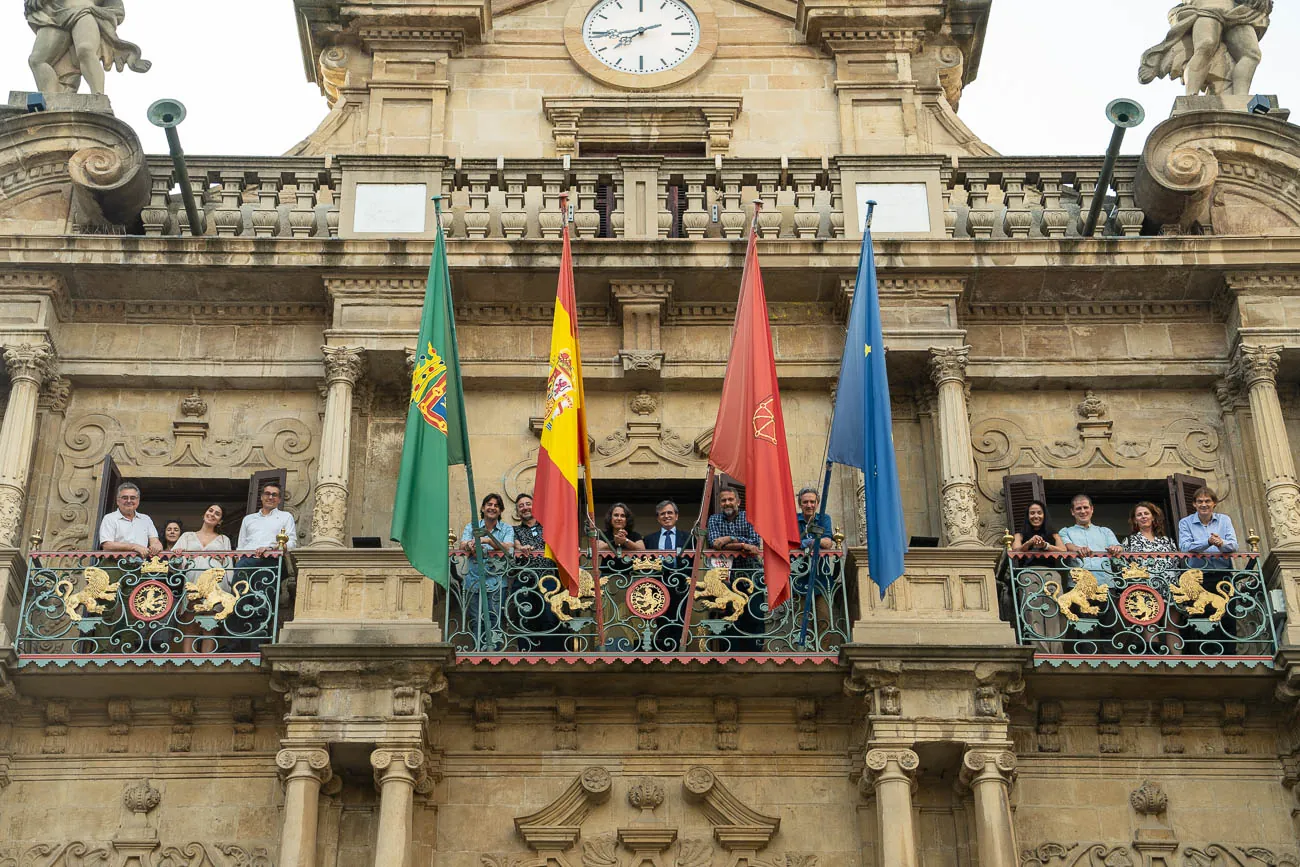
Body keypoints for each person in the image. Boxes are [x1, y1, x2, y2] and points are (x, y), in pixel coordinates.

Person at [1138, 0, 1271, 97]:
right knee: (1206, 46)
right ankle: (1191, 95)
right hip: (1207, 7)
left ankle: (1241, 98)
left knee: (1252, 54)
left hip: (1237, 12)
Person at [25, 0, 152, 96]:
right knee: (37, 60)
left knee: (85, 50)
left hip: (85, 12)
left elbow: (117, 10)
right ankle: (52, 101)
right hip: (54, 17)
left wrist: (96, 11)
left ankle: (98, 96)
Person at [706, 487, 765, 651]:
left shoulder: (749, 517)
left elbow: (754, 542)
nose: (727, 503)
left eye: (730, 499)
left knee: (754, 617)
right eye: (724, 500)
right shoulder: (714, 519)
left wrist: (729, 539)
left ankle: (755, 658)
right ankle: (731, 658)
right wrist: (742, 545)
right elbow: (714, 543)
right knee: (730, 619)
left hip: (751, 578)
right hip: (726, 581)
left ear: (738, 502)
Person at [457, 493, 514, 649]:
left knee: (495, 620)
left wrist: (488, 540)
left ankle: (494, 654)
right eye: (489, 504)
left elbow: (508, 547)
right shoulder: (472, 526)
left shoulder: (506, 528)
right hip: (474, 581)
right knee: (476, 619)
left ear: (500, 510)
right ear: (483, 508)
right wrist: (470, 545)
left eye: (496, 505)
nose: (492, 508)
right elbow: (463, 544)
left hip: (497, 582)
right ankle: (478, 652)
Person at [236, 482, 297, 584]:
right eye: (267, 493)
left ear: (279, 499)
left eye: (274, 495)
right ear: (261, 497)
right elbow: (241, 546)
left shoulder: (286, 517)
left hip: (270, 561)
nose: (270, 497)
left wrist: (271, 548)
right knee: (241, 597)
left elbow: (291, 544)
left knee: (263, 598)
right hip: (245, 563)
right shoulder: (248, 519)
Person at [1059, 493, 1123, 585]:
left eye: (1085, 507)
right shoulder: (1065, 531)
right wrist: (1079, 549)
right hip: (1078, 585)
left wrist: (1116, 548)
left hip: (1105, 583)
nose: (1082, 511)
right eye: (1078, 508)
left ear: (1092, 509)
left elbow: (1119, 547)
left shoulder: (1105, 531)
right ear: (1072, 512)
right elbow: (1068, 546)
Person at [98, 481, 162, 560]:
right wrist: (134, 547)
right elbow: (107, 546)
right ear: (118, 501)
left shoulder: (146, 519)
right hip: (114, 565)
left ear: (138, 501)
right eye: (125, 498)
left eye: (132, 498)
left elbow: (155, 541)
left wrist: (156, 546)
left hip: (140, 566)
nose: (129, 501)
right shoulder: (109, 518)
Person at [176, 504, 233, 587]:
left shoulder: (224, 539)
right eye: (210, 510)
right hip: (192, 577)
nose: (212, 514)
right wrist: (178, 554)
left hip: (217, 580)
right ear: (204, 515)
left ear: (220, 521)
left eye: (217, 514)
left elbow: (229, 563)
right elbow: (175, 562)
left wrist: (230, 583)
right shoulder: (187, 536)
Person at [1122, 502, 1179, 581]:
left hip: (1169, 586)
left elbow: (1176, 564)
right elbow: (1125, 566)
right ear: (1135, 520)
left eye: (1146, 513)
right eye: (1139, 515)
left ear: (1153, 517)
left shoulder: (1167, 540)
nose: (1143, 516)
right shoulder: (1129, 541)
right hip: (1143, 587)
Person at [1177, 486, 1238, 555]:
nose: (1203, 505)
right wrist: (1208, 542)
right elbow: (1184, 548)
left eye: (1207, 501)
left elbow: (1234, 546)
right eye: (1200, 501)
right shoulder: (1185, 522)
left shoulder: (1224, 520)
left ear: (1214, 503)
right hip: (1196, 566)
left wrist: (1222, 543)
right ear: (1194, 504)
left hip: (1224, 565)